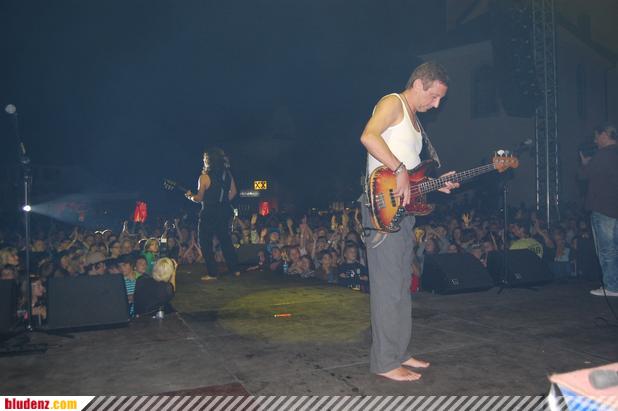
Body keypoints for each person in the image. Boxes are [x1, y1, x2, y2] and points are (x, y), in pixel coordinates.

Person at [359, 61, 458, 381]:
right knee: (388, 288)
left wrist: (434, 183)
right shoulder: (393, 103)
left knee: (401, 286)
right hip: (382, 209)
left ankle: (399, 352)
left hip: (404, 210)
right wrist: (399, 169)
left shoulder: (415, 122)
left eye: (440, 99)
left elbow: (412, 173)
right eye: (433, 96)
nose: (437, 104)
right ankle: (385, 362)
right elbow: (368, 137)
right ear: (418, 84)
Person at [186, 148, 239, 280]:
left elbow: (199, 198)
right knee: (225, 240)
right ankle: (235, 269)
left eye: (204, 159)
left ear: (208, 161)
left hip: (209, 212)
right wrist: (223, 202)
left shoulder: (204, 177)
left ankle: (212, 273)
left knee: (205, 242)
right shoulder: (227, 174)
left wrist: (190, 196)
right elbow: (233, 192)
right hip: (223, 211)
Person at [579, 123, 618, 297]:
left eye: (596, 137)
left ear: (604, 135)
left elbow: (583, 176)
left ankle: (612, 287)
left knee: (606, 249)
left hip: (604, 208)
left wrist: (585, 163)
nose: (595, 141)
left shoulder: (602, 155)